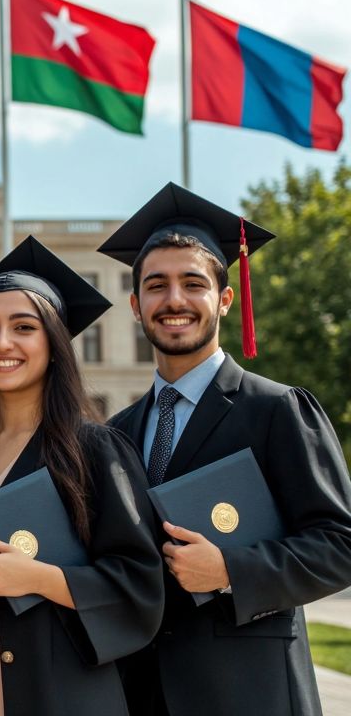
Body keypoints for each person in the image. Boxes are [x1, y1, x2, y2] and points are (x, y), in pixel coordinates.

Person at [99, 183, 351, 716]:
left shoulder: (276, 410)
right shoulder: (119, 431)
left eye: (194, 284)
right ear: (135, 305)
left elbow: (339, 545)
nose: (174, 301)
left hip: (250, 691)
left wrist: (231, 570)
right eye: (157, 286)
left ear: (225, 298)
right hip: (144, 693)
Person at [0, 236, 164, 716]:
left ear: (53, 342)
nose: (2, 344)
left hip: (57, 688)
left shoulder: (93, 451)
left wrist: (42, 578)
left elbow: (140, 586)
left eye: (23, 327)